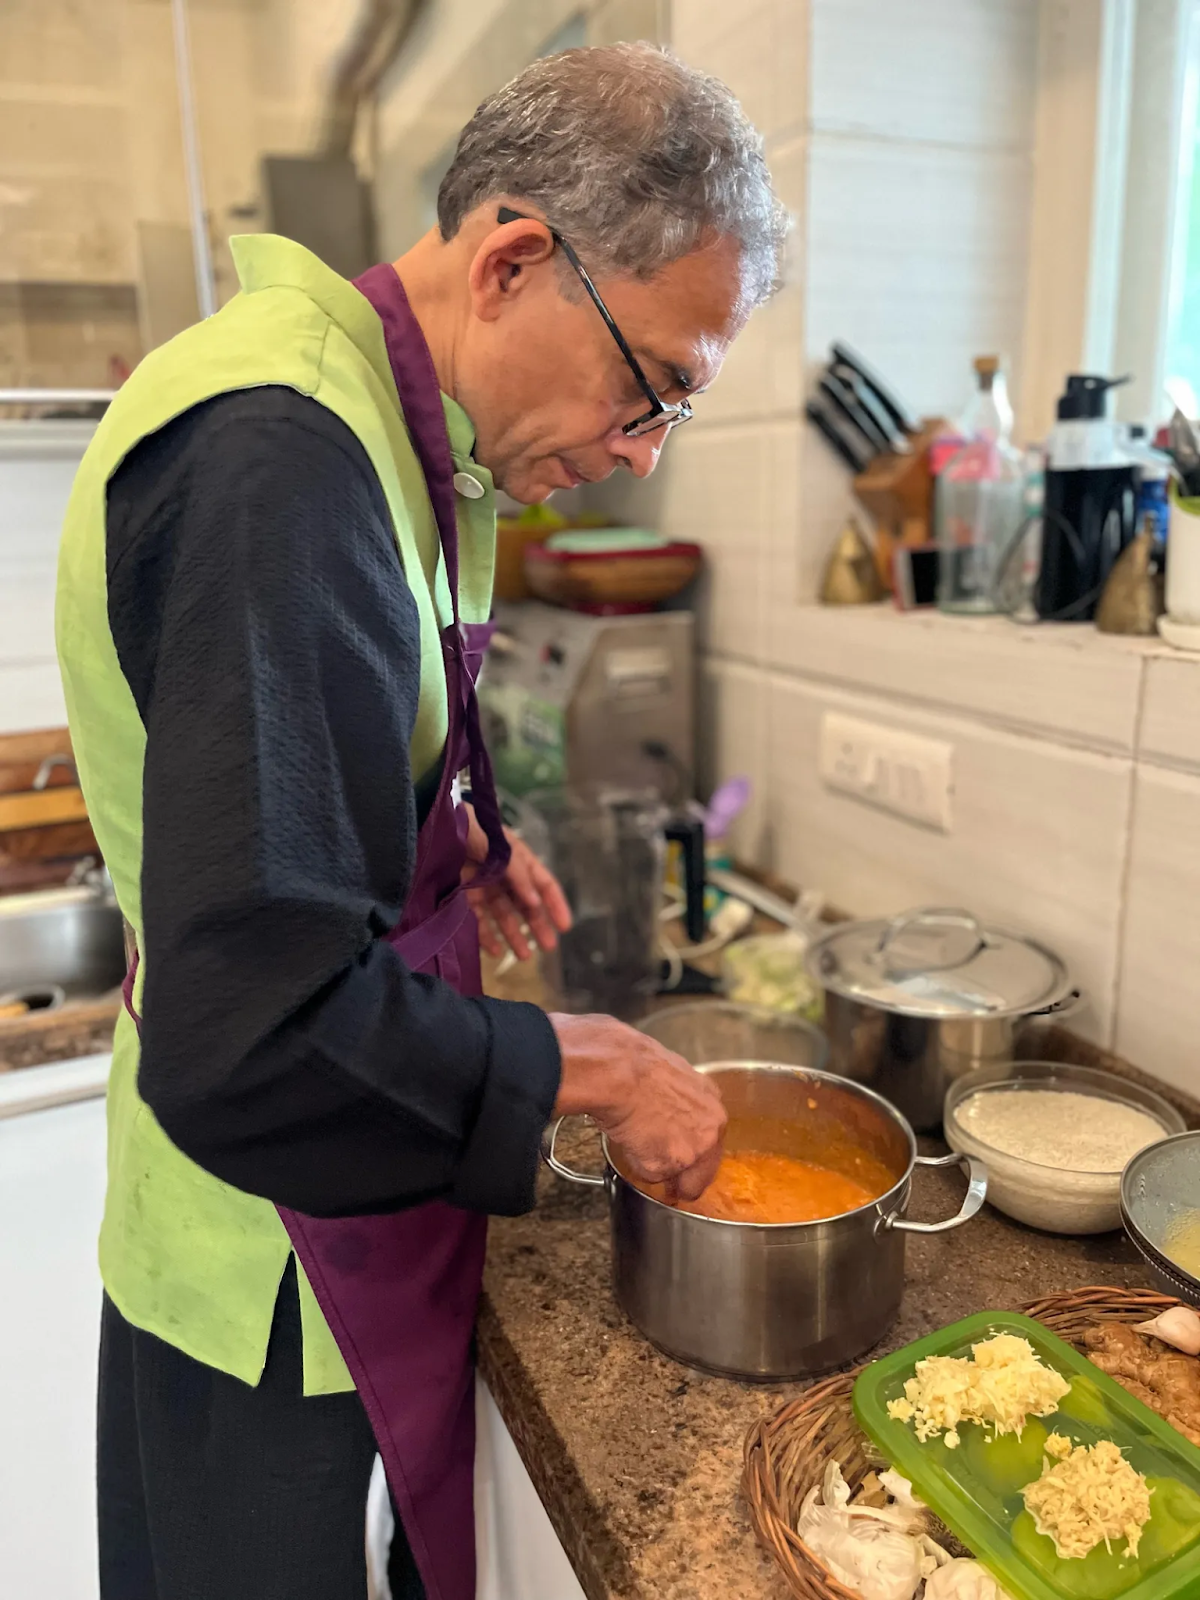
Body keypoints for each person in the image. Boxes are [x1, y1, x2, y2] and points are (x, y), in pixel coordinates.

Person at [57, 40, 786, 1600]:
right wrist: (596, 1065)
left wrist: (445, 829)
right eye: (653, 388)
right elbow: (255, 1035)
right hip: (264, 1260)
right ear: (513, 262)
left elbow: (317, 746)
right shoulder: (279, 460)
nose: (639, 454)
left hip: (330, 1210)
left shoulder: (401, 434)